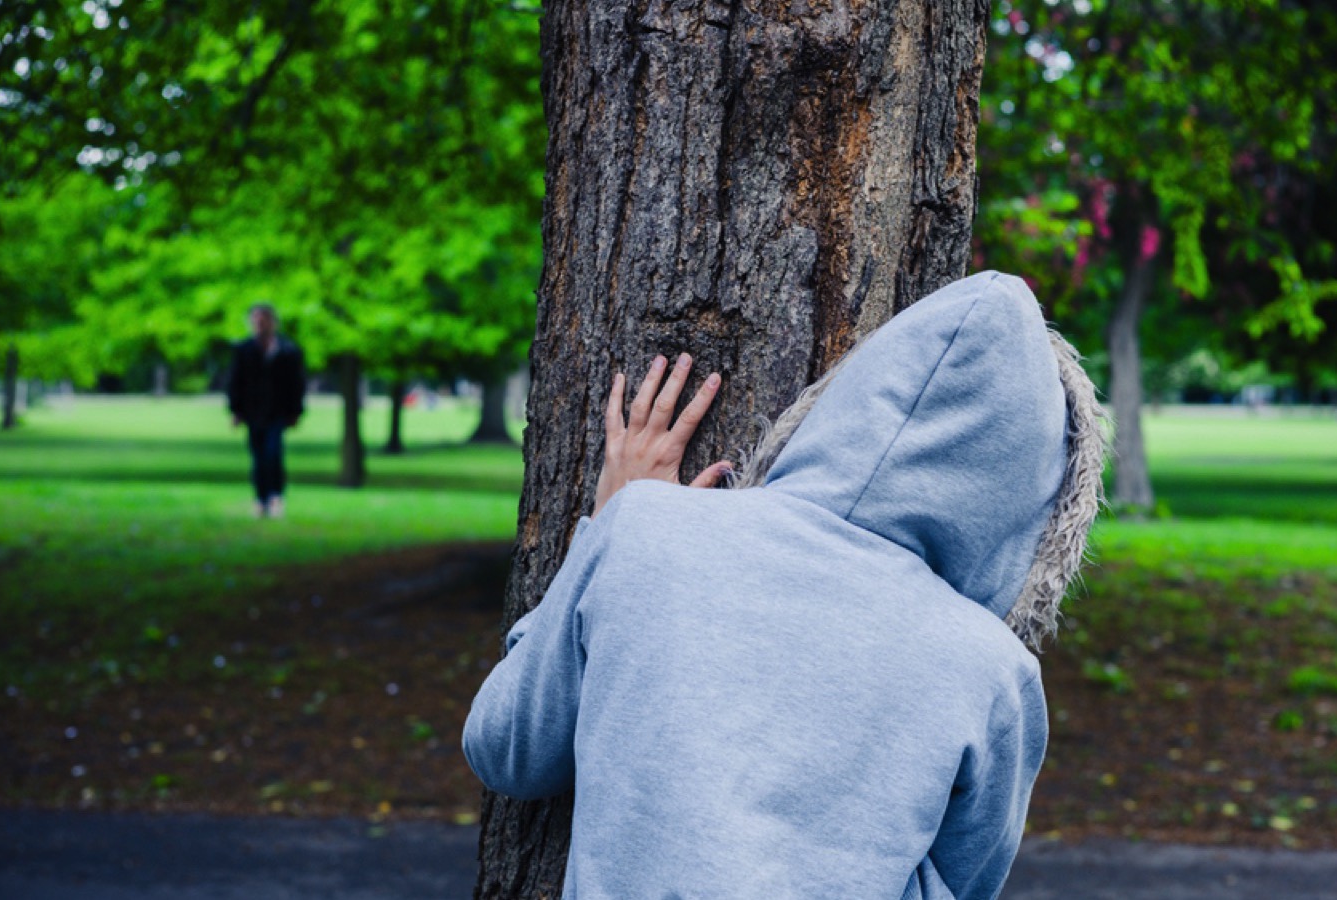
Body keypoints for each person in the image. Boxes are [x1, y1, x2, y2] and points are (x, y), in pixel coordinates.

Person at [463, 271, 1106, 899]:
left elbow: (504, 749)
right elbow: (962, 882)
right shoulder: (996, 673)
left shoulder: (643, 529)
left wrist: (602, 529)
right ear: (1021, 497)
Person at [227, 303, 306, 518]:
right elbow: (236, 382)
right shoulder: (244, 350)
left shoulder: (288, 350)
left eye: (264, 320)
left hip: (277, 413)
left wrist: (295, 412)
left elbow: (297, 384)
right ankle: (260, 498)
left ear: (273, 322)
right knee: (258, 458)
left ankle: (275, 496)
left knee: (273, 454)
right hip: (253, 413)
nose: (260, 325)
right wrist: (236, 410)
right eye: (256, 321)